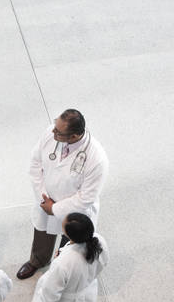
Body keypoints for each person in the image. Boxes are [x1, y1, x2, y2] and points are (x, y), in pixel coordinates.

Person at [16, 109, 108, 280]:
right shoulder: (51, 133)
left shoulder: (97, 158)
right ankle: (38, 260)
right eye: (55, 124)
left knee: (69, 247)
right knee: (42, 233)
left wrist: (55, 208)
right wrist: (43, 197)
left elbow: (87, 197)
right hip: (45, 201)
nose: (52, 131)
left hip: (74, 211)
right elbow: (35, 163)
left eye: (58, 132)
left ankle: (61, 272)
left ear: (73, 136)